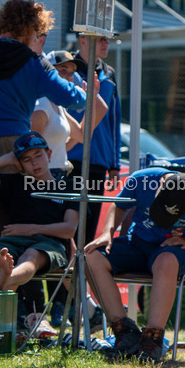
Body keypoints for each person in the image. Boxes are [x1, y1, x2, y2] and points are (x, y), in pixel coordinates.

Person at [84, 168, 185, 362]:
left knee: (166, 262)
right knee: (91, 257)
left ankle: (152, 340)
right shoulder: (142, 180)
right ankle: (125, 332)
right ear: (160, 186)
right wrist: (107, 232)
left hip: (175, 252)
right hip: (137, 244)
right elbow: (119, 205)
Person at [0, 0, 87, 157]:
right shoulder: (35, 63)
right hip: (15, 143)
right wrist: (84, 93)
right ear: (30, 29)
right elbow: (69, 97)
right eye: (37, 33)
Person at [0, 132, 78, 291]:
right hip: (14, 240)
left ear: (49, 154)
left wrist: (31, 229)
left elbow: (69, 229)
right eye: (26, 159)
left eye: (38, 155)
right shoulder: (15, 182)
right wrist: (7, 159)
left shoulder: (69, 186)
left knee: (31, 256)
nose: (34, 162)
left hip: (51, 244)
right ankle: (1, 277)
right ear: (20, 164)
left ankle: (7, 278)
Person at [67, 34, 122, 245]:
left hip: (98, 162)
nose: (106, 43)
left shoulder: (109, 74)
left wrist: (114, 165)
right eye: (101, 39)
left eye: (108, 39)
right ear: (83, 38)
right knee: (68, 226)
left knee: (89, 228)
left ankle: (82, 267)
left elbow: (114, 121)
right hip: (69, 161)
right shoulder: (66, 69)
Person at [32, 51, 106, 181]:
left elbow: (83, 135)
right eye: (63, 71)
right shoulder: (41, 105)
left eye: (72, 73)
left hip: (59, 175)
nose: (70, 77)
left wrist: (92, 99)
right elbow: (32, 149)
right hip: (45, 176)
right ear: (49, 72)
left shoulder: (58, 106)